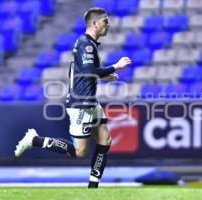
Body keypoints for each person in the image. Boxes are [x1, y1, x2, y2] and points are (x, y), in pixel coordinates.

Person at [14, 7, 132, 188]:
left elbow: (84, 71)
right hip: (80, 104)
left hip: (90, 101)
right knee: (79, 152)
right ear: (94, 23)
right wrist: (115, 67)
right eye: (105, 21)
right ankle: (35, 140)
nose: (108, 25)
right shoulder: (86, 44)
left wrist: (106, 75)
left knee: (105, 140)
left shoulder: (89, 44)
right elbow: (88, 71)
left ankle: (93, 187)